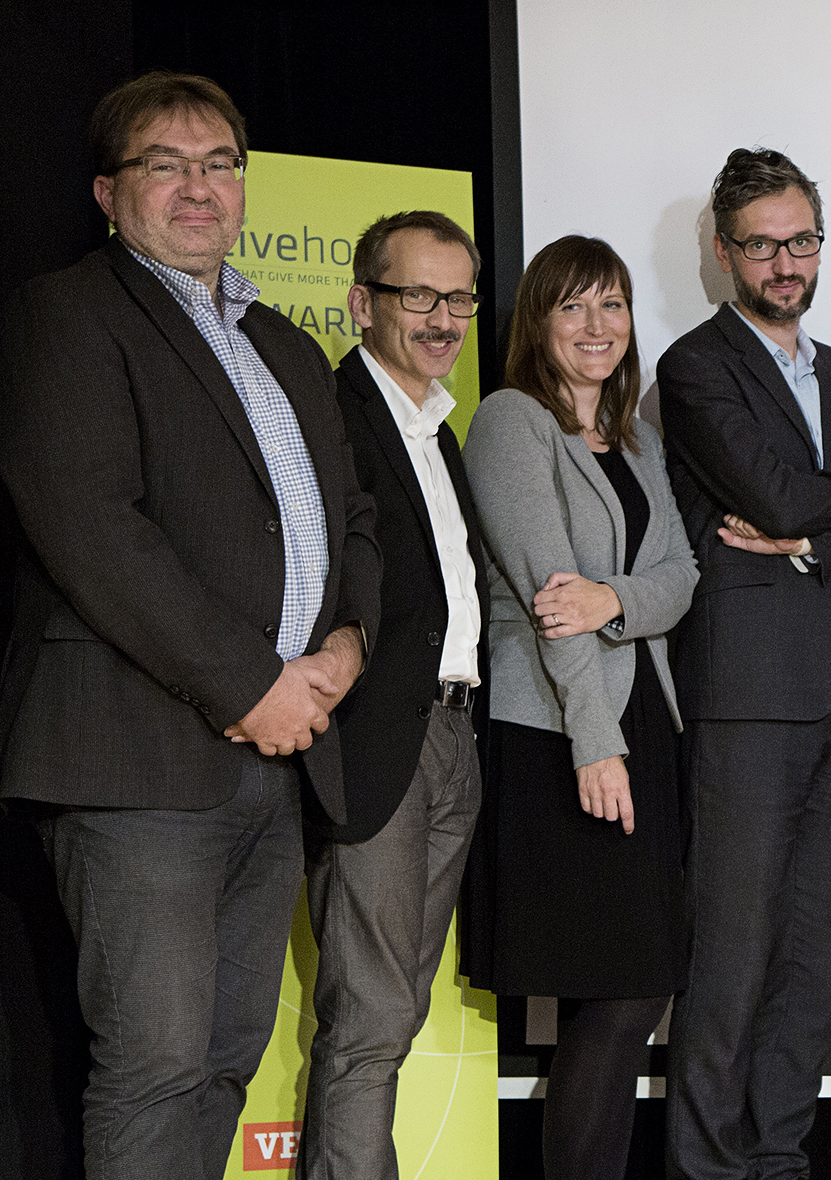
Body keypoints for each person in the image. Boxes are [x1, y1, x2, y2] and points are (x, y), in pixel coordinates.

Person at [0, 71, 379, 1178]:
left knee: (224, 1059)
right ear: (109, 194)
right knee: (156, 1064)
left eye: (219, 164)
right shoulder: (68, 313)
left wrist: (347, 646)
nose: (199, 187)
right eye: (165, 166)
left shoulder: (284, 344)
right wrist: (251, 686)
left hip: (283, 758)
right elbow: (91, 526)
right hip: (139, 759)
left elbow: (353, 517)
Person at [658, 148, 831, 1180]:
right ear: (725, 252)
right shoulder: (695, 367)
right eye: (761, 245)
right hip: (749, 692)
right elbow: (775, 493)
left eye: (800, 240)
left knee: (818, 951)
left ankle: (778, 1158)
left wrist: (812, 533)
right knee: (732, 951)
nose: (784, 262)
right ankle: (708, 1167)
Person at [459, 235, 699, 1180]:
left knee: (634, 990)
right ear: (538, 322)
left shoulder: (638, 438)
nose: (597, 326)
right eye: (573, 306)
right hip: (565, 729)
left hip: (646, 724)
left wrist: (613, 598)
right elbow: (548, 598)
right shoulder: (512, 421)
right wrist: (594, 743)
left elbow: (681, 578)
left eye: (613, 304)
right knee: (616, 992)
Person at [302, 210, 489, 1180]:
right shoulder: (334, 417)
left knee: (396, 1012)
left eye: (458, 297)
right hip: (378, 742)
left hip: (451, 736)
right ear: (362, 302)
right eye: (419, 294)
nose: (443, 318)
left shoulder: (436, 427)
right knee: (370, 1017)